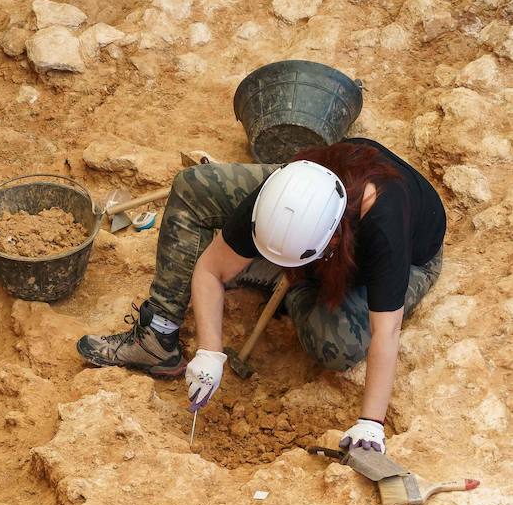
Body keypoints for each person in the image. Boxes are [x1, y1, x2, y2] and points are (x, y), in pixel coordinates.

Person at [76, 139, 446, 453]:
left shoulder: (383, 225)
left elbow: (387, 331)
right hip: (319, 226)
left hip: (411, 259)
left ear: (331, 242)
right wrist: (209, 351)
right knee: (193, 187)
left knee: (337, 345)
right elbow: (209, 269)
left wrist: (370, 425)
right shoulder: (287, 189)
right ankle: (158, 333)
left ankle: (287, 283)